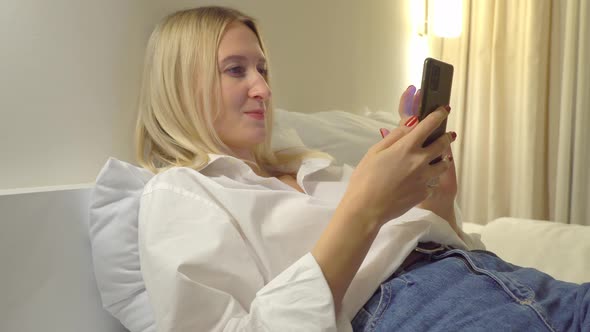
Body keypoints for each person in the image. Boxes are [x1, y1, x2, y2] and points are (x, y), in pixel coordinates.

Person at [135, 6, 589, 332]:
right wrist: (363, 211)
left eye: (263, 69)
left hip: (509, 280)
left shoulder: (318, 168)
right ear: (181, 83)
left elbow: (424, 244)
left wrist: (440, 201)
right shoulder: (180, 193)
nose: (263, 89)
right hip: (419, 310)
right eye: (236, 70)